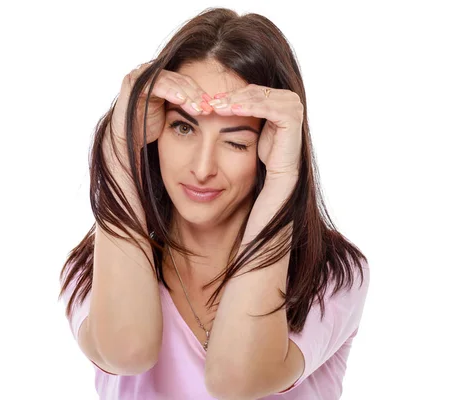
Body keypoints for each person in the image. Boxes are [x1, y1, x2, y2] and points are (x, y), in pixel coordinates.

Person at [59, 7, 370, 399]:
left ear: (270, 146)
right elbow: (127, 351)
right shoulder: (93, 269)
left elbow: (236, 380)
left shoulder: (332, 274)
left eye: (236, 141)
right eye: (183, 127)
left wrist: (281, 182)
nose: (202, 168)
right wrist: (118, 149)